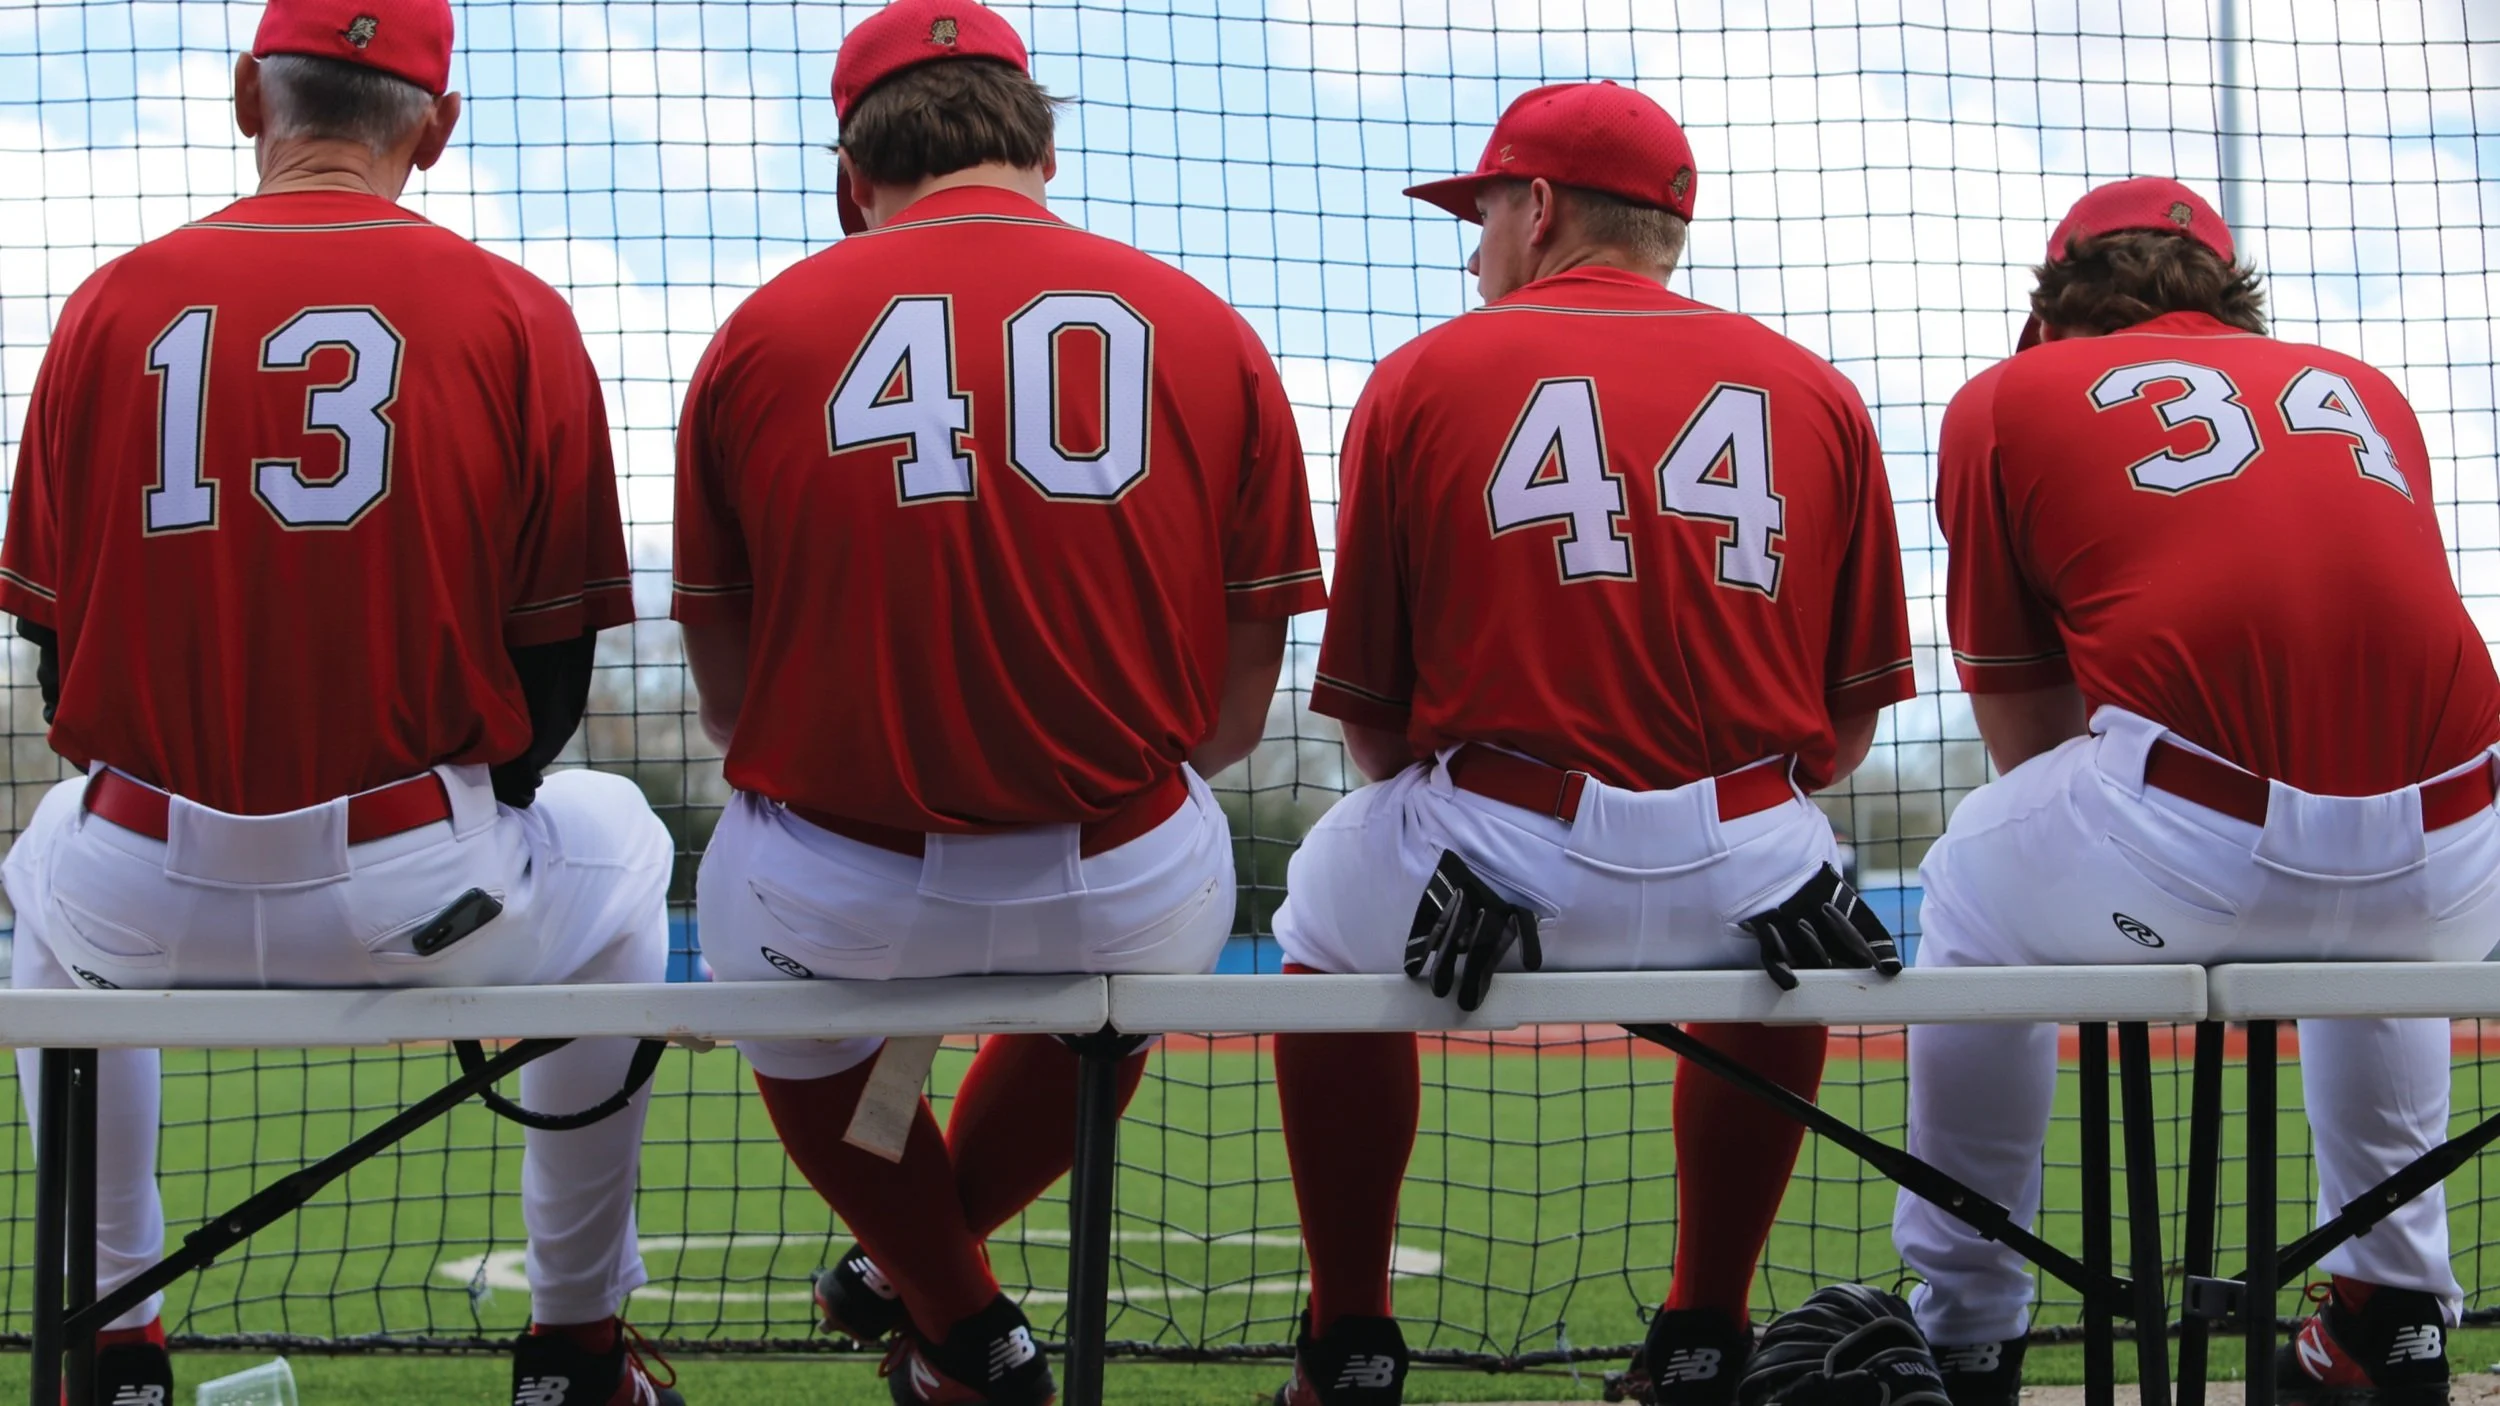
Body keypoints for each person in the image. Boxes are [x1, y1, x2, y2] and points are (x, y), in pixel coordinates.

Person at [0, 2, 680, 1403]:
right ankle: (574, 1349)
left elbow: (56, 656)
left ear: (253, 94)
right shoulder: (518, 313)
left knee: (48, 881)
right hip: (415, 897)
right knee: (624, 847)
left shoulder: (107, 304)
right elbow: (554, 677)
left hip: (140, 885)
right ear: (434, 127)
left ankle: (110, 1349)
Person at [669, 1, 1326, 1400]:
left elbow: (732, 713)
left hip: (839, 895)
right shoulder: (1207, 325)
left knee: (787, 986)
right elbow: (1230, 721)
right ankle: (940, 1299)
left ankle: (965, 1324)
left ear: (856, 176)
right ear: (1039, 142)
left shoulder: (757, 330)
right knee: (1114, 994)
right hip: (1124, 879)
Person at [1267, 81, 1917, 1406]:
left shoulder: (1423, 374)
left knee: (1318, 927)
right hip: (1754, 873)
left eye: (1486, 208)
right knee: (1791, 897)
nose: (1474, 243)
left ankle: (1349, 1349)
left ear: (1544, 205)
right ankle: (1703, 1333)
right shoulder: (1819, 390)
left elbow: (1379, 732)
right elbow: (1842, 733)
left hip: (1488, 860)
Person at [1895, 176, 2500, 1406]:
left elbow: (2024, 725)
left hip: (2193, 836)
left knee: (1962, 880)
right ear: (2231, 292)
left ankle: (1965, 1332)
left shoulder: (2007, 398)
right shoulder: (2359, 388)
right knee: (2376, 917)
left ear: (2053, 300)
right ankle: (2394, 1321)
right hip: (2466, 852)